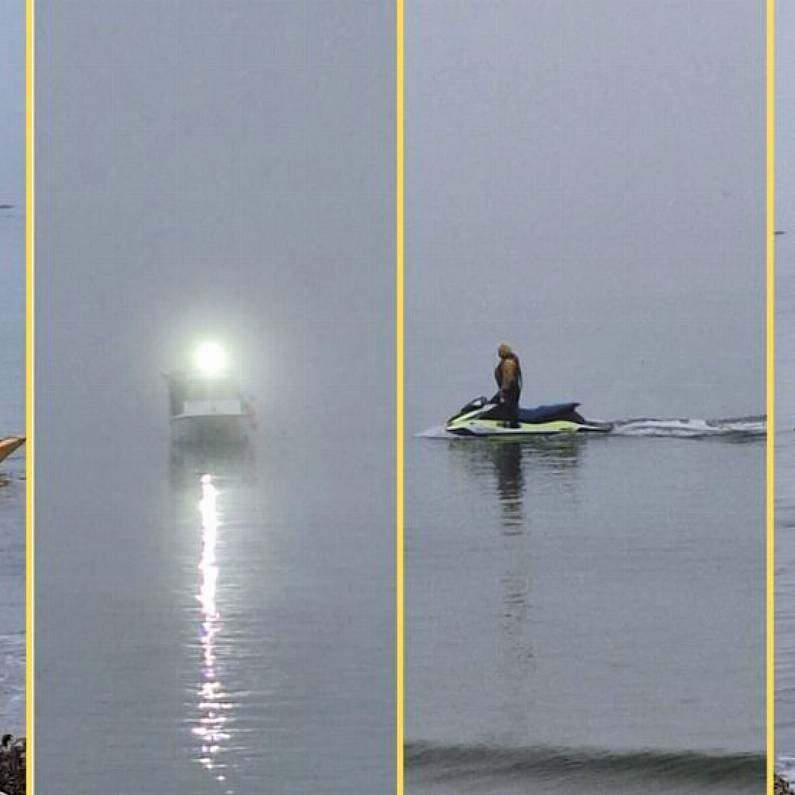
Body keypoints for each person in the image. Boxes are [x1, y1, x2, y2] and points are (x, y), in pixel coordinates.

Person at [493, 342, 522, 427]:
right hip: (512, 389)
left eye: (499, 351)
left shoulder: (508, 363)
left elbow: (507, 377)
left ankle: (513, 425)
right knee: (509, 407)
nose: (498, 353)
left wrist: (503, 390)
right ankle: (508, 422)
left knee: (509, 406)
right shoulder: (509, 361)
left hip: (510, 389)